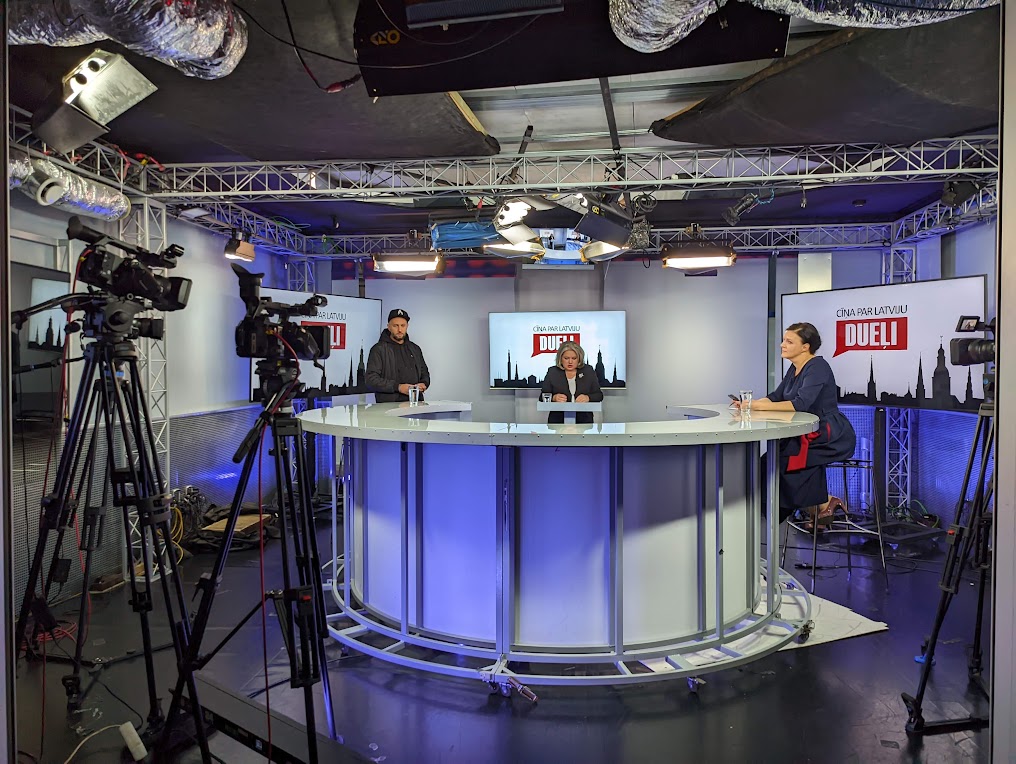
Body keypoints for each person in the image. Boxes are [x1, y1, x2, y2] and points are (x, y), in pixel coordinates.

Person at [741, 322, 856, 526]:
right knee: (768, 462)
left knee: (784, 462)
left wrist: (757, 406)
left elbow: (801, 403)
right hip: (803, 434)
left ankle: (817, 505)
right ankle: (820, 506)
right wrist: (751, 404)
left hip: (827, 434)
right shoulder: (794, 368)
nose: (782, 345)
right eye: (783, 340)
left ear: (805, 347)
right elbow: (776, 396)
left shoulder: (817, 367)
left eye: (789, 341)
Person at [366, 308, 431, 403]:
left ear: (407, 326)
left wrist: (424, 384)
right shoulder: (378, 349)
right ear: (388, 327)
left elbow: (424, 373)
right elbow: (371, 380)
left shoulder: (415, 349)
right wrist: (398, 387)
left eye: (402, 325)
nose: (400, 330)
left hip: (416, 404)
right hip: (388, 406)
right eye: (395, 326)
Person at [540, 341, 603, 424]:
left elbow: (599, 395)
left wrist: (587, 397)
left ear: (579, 358)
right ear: (560, 358)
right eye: (566, 358)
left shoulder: (588, 371)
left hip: (584, 422)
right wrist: (554, 398)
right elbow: (542, 397)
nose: (570, 362)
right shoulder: (553, 372)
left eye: (574, 358)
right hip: (558, 422)